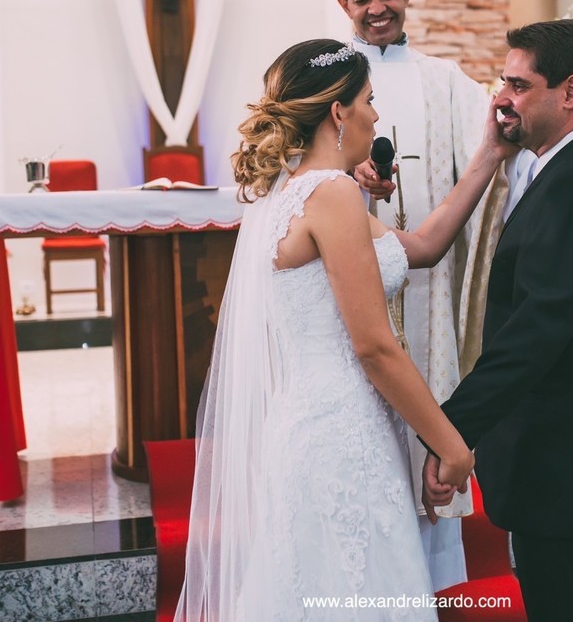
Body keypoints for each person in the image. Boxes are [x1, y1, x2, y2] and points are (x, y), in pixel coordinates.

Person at [175, 39, 515, 621]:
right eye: (369, 100)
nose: (376, 116)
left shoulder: (295, 190)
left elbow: (426, 247)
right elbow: (374, 346)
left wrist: (487, 153)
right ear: (338, 113)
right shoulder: (330, 194)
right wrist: (454, 445)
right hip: (341, 439)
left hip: (314, 427)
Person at [423, 19, 573, 621]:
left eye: (518, 85)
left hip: (571, 485)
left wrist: (450, 431)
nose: (501, 98)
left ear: (570, 91)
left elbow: (534, 334)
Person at [337, 0, 510, 589]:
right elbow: (297, 176)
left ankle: (430, 585)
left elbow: (499, 143)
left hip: (428, 294)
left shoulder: (448, 84)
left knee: (427, 414)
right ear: (344, 5)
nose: (377, 8)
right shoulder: (325, 86)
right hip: (354, 297)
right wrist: (345, 174)